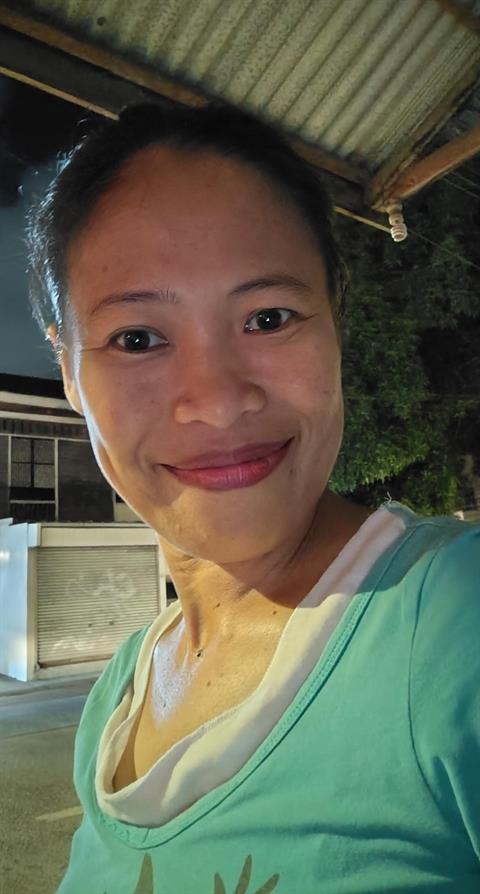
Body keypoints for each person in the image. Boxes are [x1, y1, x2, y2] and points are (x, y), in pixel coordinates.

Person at [28, 101, 480, 894]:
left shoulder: (453, 618)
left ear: (336, 324)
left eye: (268, 318)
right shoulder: (117, 697)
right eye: (137, 338)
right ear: (68, 370)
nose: (217, 400)